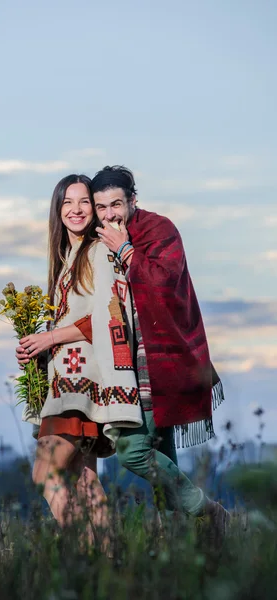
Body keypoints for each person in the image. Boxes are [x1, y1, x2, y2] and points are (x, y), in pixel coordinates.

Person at [91, 165, 230, 541]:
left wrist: (124, 250)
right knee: (158, 452)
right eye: (101, 207)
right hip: (123, 366)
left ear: (133, 200)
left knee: (134, 452)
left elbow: (165, 280)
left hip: (159, 360)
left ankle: (209, 509)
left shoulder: (160, 230)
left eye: (116, 204)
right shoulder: (97, 239)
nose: (109, 215)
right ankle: (180, 547)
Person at [18, 173, 142, 546]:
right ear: (58, 210)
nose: (76, 209)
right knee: (85, 479)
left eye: (84, 201)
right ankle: (109, 566)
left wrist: (49, 337)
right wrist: (37, 345)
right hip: (69, 378)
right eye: (68, 202)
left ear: (94, 208)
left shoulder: (98, 251)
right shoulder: (69, 258)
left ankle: (84, 558)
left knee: (45, 473)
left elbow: (108, 314)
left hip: (80, 383)